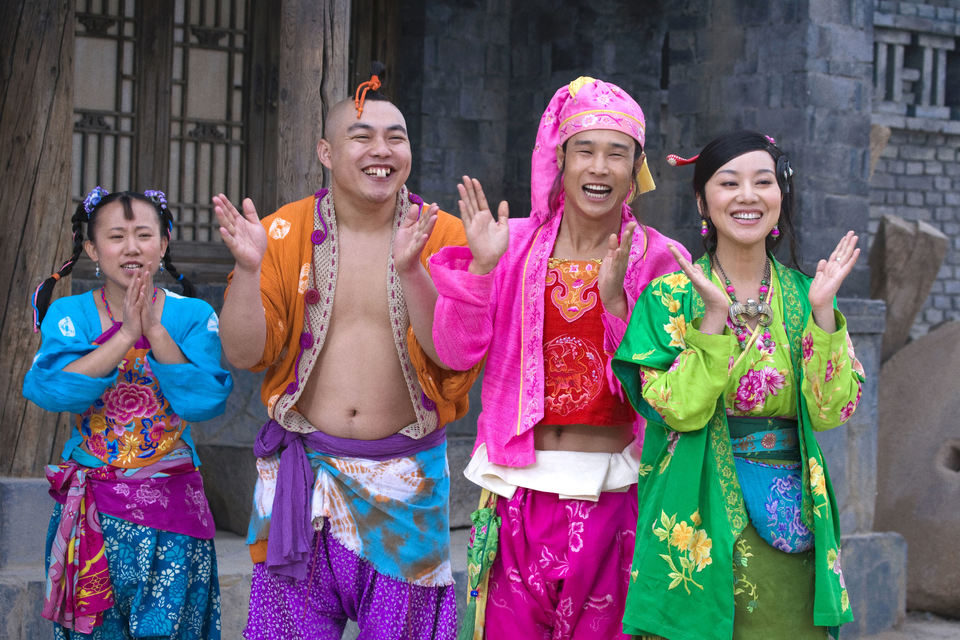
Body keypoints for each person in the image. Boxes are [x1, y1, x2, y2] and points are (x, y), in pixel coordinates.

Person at [213, 66, 479, 639]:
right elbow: (242, 353)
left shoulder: (446, 236)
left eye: (395, 137)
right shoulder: (282, 232)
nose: (381, 150)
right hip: (303, 476)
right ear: (326, 152)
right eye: (362, 137)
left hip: (408, 482)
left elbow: (455, 358)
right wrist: (248, 269)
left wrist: (414, 271)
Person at [428, 76, 687, 639]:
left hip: (617, 497)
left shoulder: (663, 259)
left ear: (636, 169)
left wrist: (617, 305)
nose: (599, 167)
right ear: (560, 160)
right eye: (584, 150)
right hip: (517, 495)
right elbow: (453, 353)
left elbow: (670, 388)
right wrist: (480, 269)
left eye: (616, 153)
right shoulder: (512, 245)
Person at [611, 130, 864, 639]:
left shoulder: (806, 294)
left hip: (789, 517)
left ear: (780, 196)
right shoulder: (668, 297)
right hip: (696, 515)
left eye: (763, 182)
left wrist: (822, 315)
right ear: (702, 201)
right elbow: (677, 410)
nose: (748, 196)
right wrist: (712, 320)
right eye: (729, 183)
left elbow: (832, 411)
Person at [24, 187, 233, 639]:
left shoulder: (192, 315)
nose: (132, 248)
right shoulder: (70, 313)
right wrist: (124, 337)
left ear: (164, 242)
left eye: (144, 235)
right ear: (92, 249)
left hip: (174, 509)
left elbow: (205, 400)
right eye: (116, 236)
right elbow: (50, 390)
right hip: (92, 511)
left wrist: (154, 331)